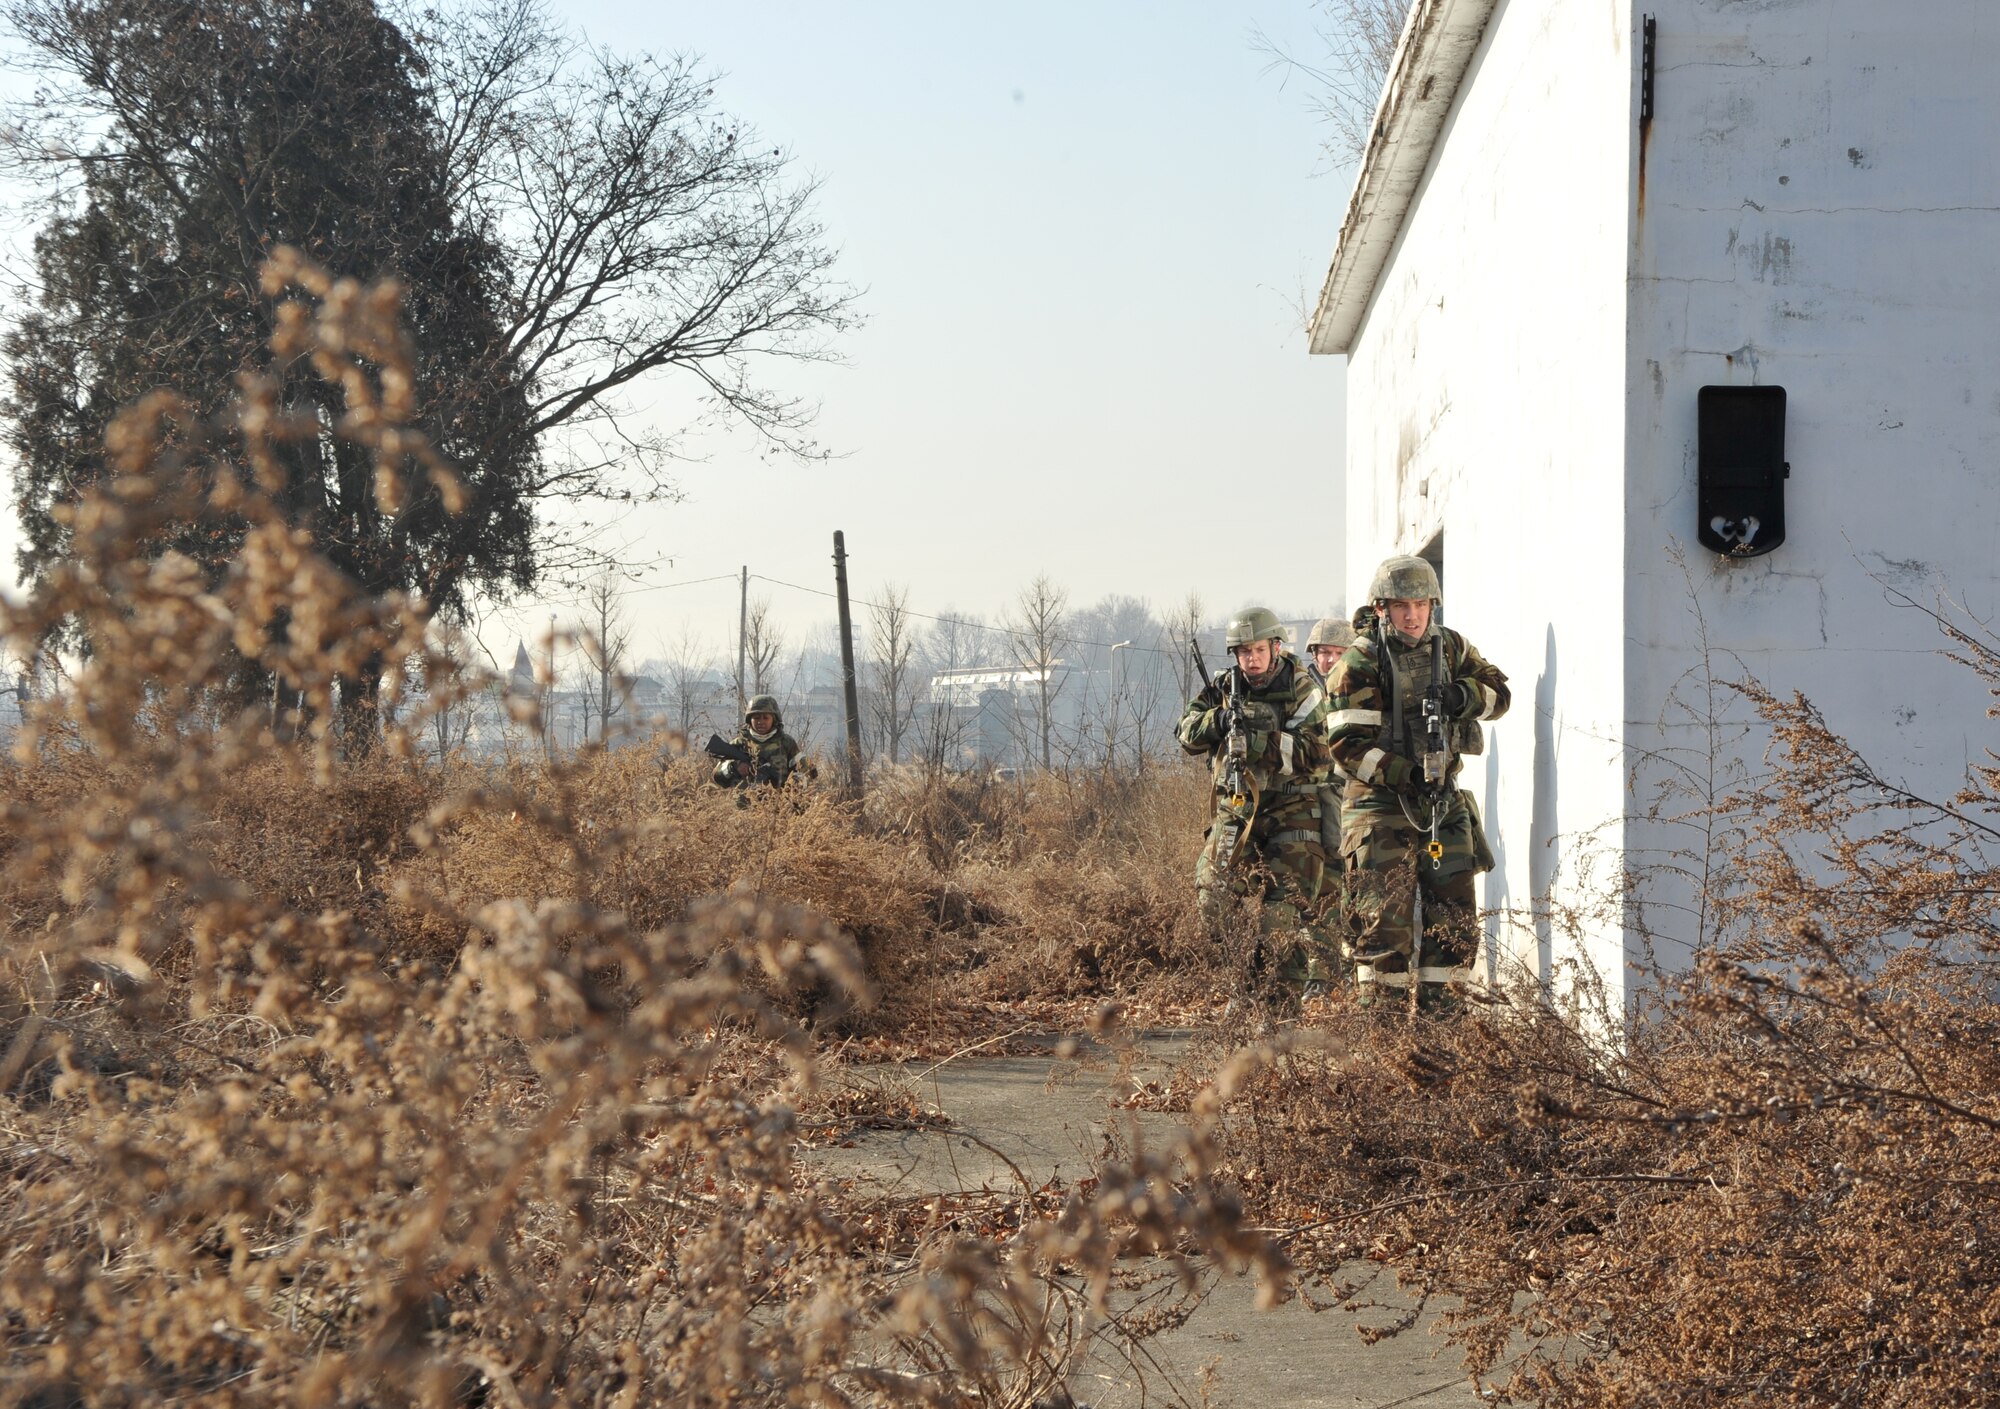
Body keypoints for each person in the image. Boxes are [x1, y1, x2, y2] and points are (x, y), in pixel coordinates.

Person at [1325, 557, 1509, 1007]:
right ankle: (1382, 1048)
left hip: (1442, 805)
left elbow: (1500, 696)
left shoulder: (1451, 649)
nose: (1412, 615)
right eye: (1402, 605)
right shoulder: (1359, 662)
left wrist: (1460, 696)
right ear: (1382, 608)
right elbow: (1347, 745)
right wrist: (1404, 774)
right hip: (1380, 809)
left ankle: (1440, 1039)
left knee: (1454, 928)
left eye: (1421, 604)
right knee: (1381, 934)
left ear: (1433, 605)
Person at [1176, 607, 1335, 996]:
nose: (1251, 659)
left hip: (1292, 811)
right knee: (1212, 896)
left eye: (1258, 650)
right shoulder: (1223, 687)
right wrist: (1220, 721)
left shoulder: (1304, 690)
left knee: (1281, 917)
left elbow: (1318, 753)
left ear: (1276, 647)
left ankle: (1281, 1002)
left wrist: (1259, 738)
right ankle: (1246, 985)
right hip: (1238, 809)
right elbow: (1185, 733)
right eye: (1243, 651)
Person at [1304, 614, 1360, 988]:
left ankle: (1346, 969)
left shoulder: (1359, 688)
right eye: (1324, 653)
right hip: (1307, 803)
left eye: (1338, 652)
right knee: (1316, 889)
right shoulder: (1302, 691)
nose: (1329, 660)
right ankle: (1319, 974)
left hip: (1347, 799)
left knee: (1349, 887)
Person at [710, 694, 806, 791]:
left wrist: (792, 785)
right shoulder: (740, 743)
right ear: (749, 720)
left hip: (781, 803)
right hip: (745, 804)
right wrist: (734, 767)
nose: (761, 722)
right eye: (756, 718)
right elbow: (717, 776)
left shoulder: (786, 742)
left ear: (774, 719)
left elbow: (806, 772)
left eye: (766, 718)